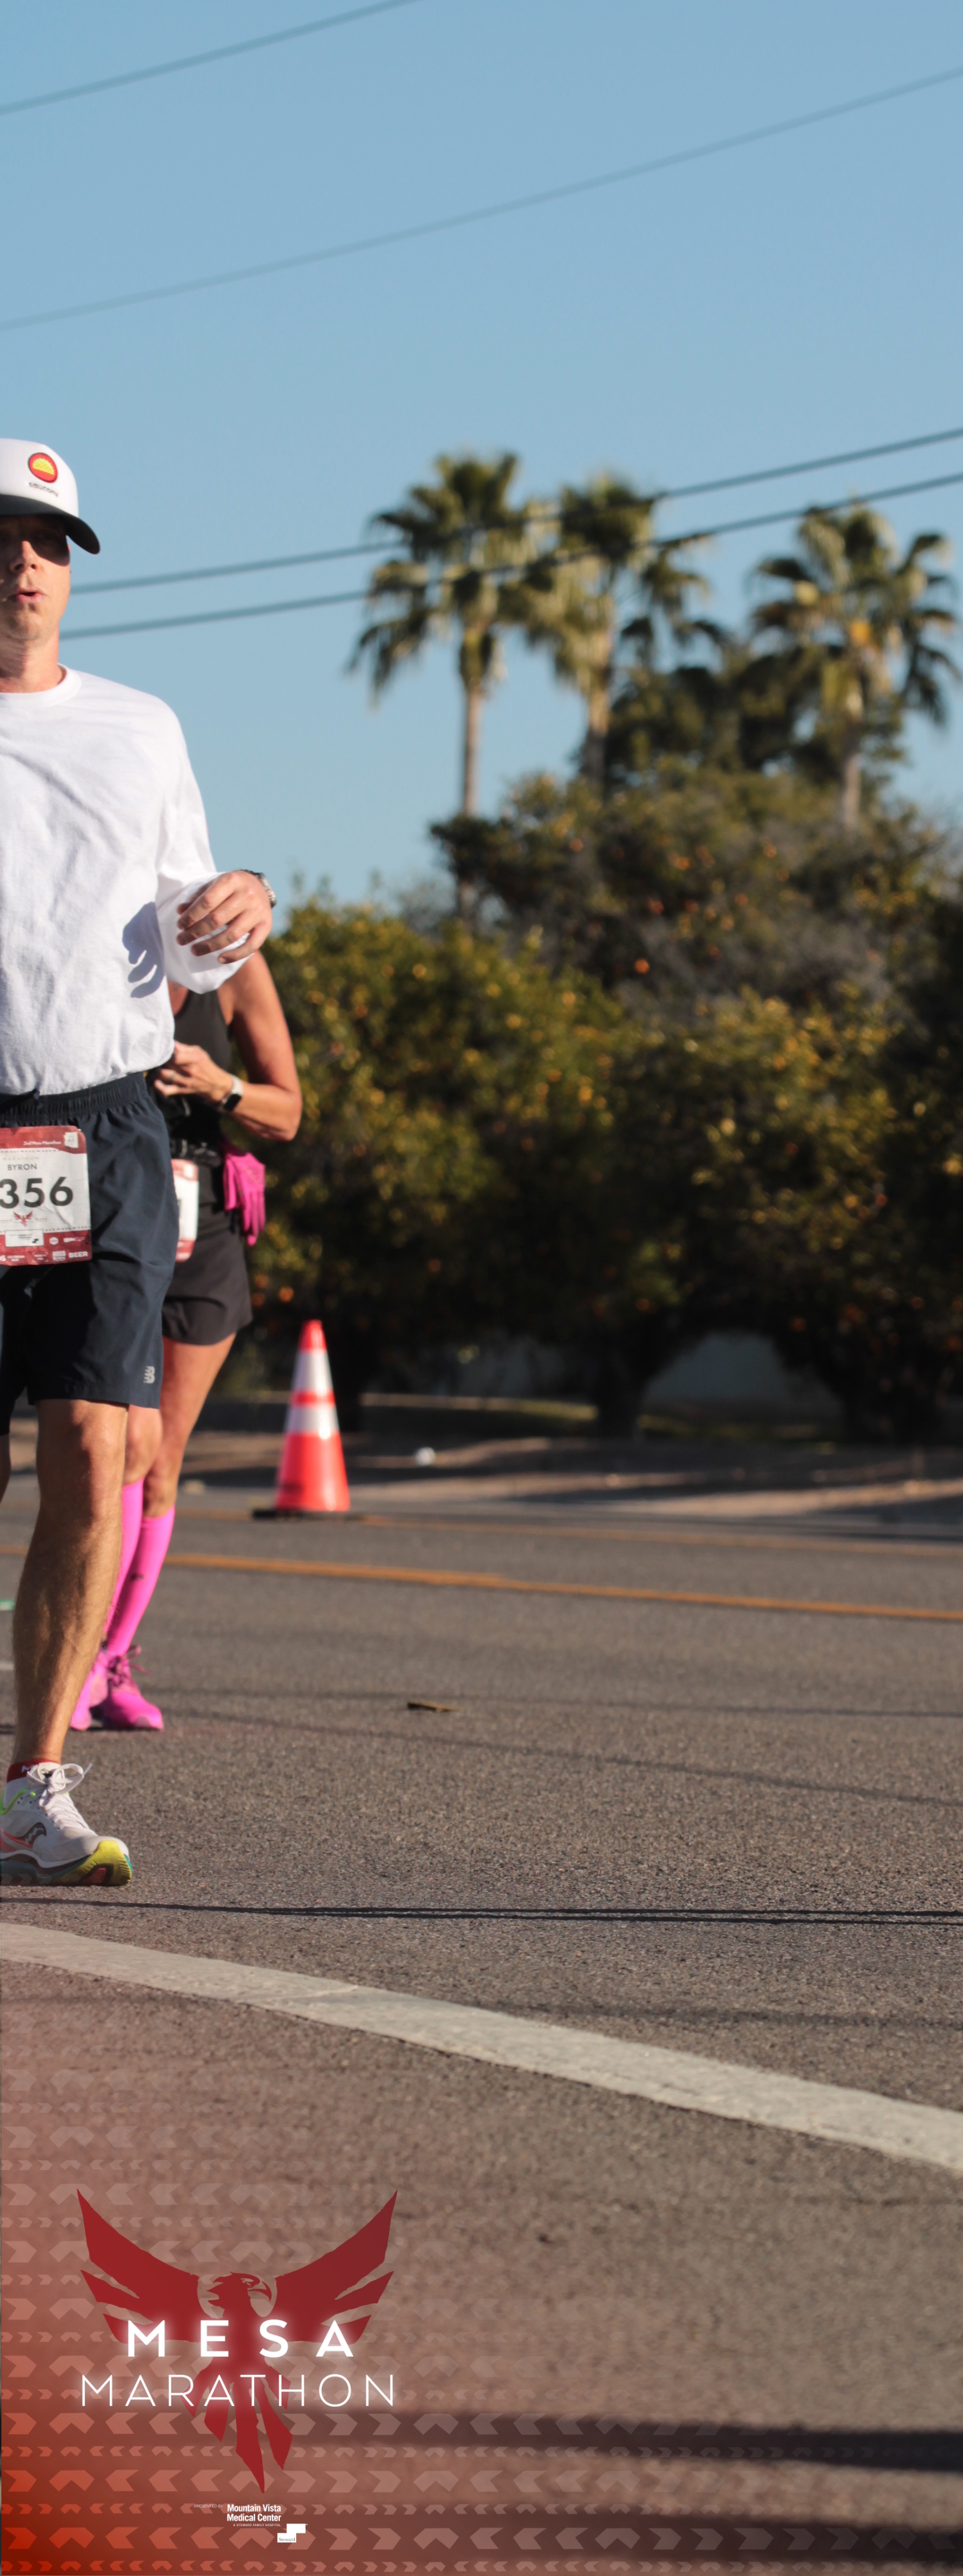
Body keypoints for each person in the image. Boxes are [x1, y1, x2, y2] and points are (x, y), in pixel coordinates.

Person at [1, 438, 273, 1886]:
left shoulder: (139, 727)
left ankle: (31, 1784)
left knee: (95, 1449)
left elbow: (192, 927)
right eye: (2, 536)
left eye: (48, 542)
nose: (23, 564)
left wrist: (245, 901)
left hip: (104, 1126)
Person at [71, 956, 302, 1732]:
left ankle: (110, 1661)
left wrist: (219, 1085)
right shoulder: (99, 946)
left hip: (201, 1226)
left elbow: (286, 1112)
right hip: (106, 1214)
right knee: (122, 1446)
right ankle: (76, 1656)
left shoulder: (233, 968)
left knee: (162, 1459)